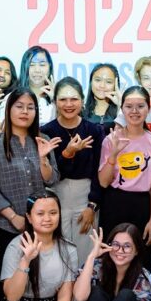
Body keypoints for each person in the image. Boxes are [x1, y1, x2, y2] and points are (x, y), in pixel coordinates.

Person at [0, 87, 61, 253]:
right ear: (9, 109)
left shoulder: (43, 140)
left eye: (30, 108)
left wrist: (43, 158)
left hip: (40, 224)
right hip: (7, 225)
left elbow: (52, 179)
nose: (25, 112)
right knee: (11, 274)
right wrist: (13, 217)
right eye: (19, 106)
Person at [97, 86, 151, 266]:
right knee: (112, 257)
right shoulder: (111, 139)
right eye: (129, 106)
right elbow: (103, 182)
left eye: (140, 106)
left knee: (142, 258)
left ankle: (140, 294)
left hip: (143, 205)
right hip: (115, 203)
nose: (134, 111)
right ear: (122, 109)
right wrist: (113, 155)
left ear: (148, 109)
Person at [41, 77, 105, 263]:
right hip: (55, 196)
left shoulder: (94, 130)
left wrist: (92, 205)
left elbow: (98, 171)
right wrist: (68, 153)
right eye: (62, 99)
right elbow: (49, 174)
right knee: (55, 253)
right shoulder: (46, 132)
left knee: (84, 255)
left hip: (85, 197)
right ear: (55, 101)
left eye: (74, 99)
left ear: (82, 100)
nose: (68, 104)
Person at [18, 46, 56, 124]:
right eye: (31, 65)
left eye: (42, 65)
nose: (37, 70)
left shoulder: (59, 98)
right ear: (25, 68)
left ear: (50, 67)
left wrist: (55, 99)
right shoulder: (12, 97)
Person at [84, 62, 121, 127]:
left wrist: (121, 106)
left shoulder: (122, 110)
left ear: (115, 85)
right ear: (91, 82)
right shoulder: (80, 111)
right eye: (98, 80)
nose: (102, 85)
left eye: (108, 82)